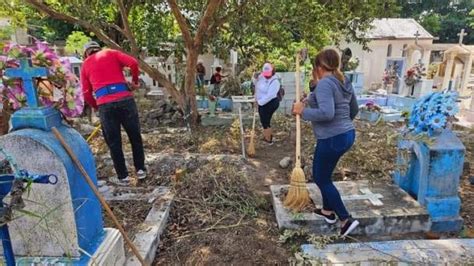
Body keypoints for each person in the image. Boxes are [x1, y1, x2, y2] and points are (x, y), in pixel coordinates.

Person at [292, 49, 360, 237]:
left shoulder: (325, 84)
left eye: (315, 67)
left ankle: (346, 219)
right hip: (347, 135)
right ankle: (328, 212)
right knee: (326, 175)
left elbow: (327, 113)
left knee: (320, 178)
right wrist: (307, 100)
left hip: (332, 138)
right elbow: (353, 109)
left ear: (320, 67)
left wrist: (301, 112)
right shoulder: (344, 81)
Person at [80, 41, 146, 185]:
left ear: (86, 53)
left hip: (105, 106)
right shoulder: (111, 53)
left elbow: (86, 93)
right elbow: (133, 63)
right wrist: (134, 82)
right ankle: (140, 170)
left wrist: (96, 107)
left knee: (114, 143)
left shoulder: (85, 64)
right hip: (126, 101)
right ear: (98, 48)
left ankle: (123, 177)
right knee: (135, 136)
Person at [254, 63, 280, 144]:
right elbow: (256, 85)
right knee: (263, 120)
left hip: (271, 102)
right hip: (262, 102)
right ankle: (267, 136)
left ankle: (268, 139)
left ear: (272, 72)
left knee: (265, 120)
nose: (266, 76)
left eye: (268, 74)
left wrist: (259, 102)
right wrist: (255, 78)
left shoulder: (275, 81)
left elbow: (270, 95)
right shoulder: (261, 76)